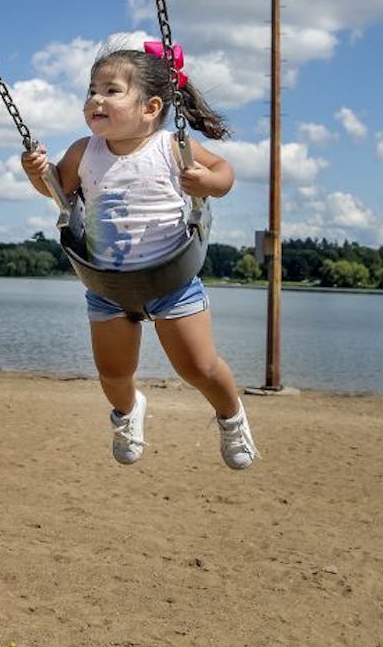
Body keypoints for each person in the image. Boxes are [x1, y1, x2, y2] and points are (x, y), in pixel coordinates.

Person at [21, 46, 258, 469]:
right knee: (113, 374)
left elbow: (225, 173)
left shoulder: (170, 146)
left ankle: (231, 416)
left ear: (150, 108)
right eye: (92, 90)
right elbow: (58, 190)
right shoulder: (84, 151)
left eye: (111, 90)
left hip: (172, 281)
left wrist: (206, 180)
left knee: (199, 368)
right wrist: (37, 173)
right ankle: (128, 412)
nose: (96, 99)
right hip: (107, 286)